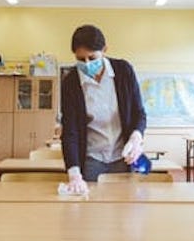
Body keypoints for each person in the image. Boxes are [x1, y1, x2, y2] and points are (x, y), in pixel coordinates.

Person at [60, 25, 147, 193]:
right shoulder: (71, 82)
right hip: (92, 158)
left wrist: (136, 138)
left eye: (92, 58)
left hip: (123, 155)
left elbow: (139, 113)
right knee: (91, 210)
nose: (86, 64)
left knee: (123, 206)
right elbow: (70, 131)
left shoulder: (123, 71)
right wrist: (74, 174)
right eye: (80, 59)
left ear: (104, 50)